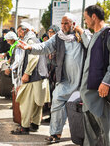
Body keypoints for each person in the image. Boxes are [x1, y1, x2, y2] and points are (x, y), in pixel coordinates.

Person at [18, 13, 85, 143]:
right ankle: (55, 134)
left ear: (74, 24)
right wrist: (30, 47)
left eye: (67, 23)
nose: (64, 26)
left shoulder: (81, 36)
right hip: (65, 80)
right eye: (62, 23)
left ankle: (87, 136)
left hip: (83, 81)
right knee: (57, 103)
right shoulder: (58, 37)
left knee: (85, 109)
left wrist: (81, 32)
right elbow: (45, 46)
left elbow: (92, 45)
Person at [74, 5, 110, 146]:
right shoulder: (96, 35)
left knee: (106, 131)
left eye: (86, 18)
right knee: (90, 134)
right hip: (88, 94)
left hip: (100, 94)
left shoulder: (109, 35)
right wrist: (82, 32)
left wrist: (107, 82)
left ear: (94, 17)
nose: (85, 21)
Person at [10, 22, 50, 135]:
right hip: (41, 76)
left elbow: (33, 58)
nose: (19, 34)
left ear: (25, 30)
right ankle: (35, 124)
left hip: (33, 77)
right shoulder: (36, 39)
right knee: (38, 103)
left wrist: (26, 73)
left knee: (25, 102)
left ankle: (25, 127)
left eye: (19, 31)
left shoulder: (30, 41)